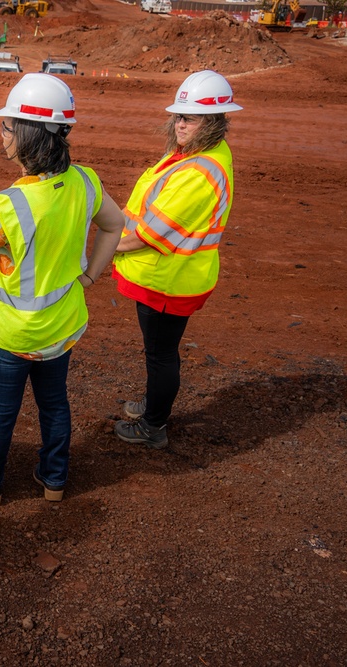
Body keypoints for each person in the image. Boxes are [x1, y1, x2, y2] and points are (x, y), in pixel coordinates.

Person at [0, 73, 124, 507]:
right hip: (61, 328)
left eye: (6, 126)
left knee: (1, 412)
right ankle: (54, 482)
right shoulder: (87, 182)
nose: (1, 134)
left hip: (10, 335)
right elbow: (115, 225)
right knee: (54, 405)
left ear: (28, 135)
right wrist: (90, 276)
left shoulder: (10, 205)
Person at [112, 70, 243, 449]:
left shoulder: (199, 172)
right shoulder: (198, 153)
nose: (180, 123)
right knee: (158, 352)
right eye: (178, 115)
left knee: (160, 354)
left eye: (190, 117)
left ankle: (153, 426)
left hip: (169, 280)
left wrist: (102, 248)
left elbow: (147, 235)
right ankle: (155, 404)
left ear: (213, 122)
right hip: (169, 275)